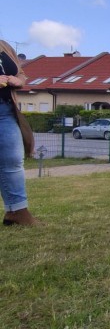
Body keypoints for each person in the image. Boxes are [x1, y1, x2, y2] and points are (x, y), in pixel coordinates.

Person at [0, 40, 37, 226]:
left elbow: (21, 73)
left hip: (6, 110)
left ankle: (18, 212)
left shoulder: (4, 46)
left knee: (13, 161)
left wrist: (18, 81)